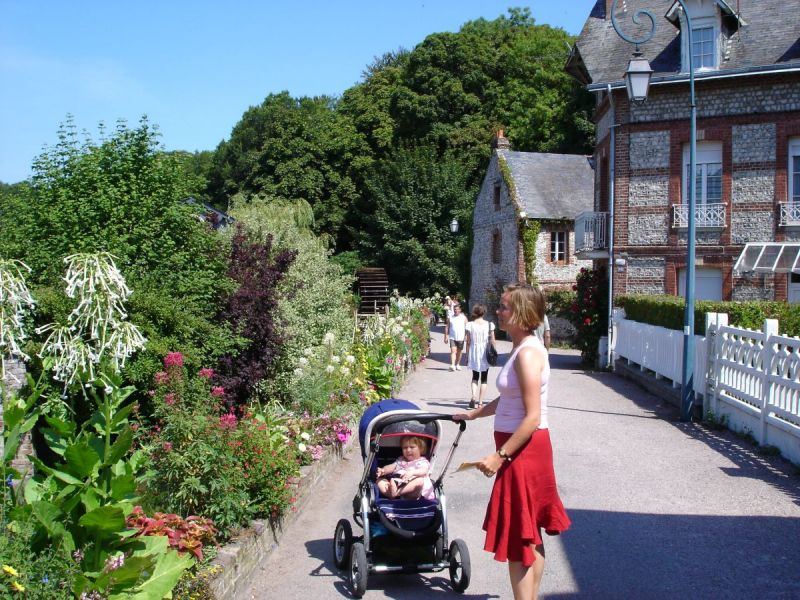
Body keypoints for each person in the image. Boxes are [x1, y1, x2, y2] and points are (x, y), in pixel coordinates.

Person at [454, 283, 570, 600]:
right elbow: (509, 400)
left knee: (521, 537)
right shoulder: (521, 349)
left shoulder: (528, 355)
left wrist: (499, 456)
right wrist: (475, 414)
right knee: (529, 533)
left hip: (523, 451)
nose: (499, 312)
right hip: (522, 448)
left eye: (504, 307)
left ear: (521, 314)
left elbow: (531, 416)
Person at [376, 435, 435, 500]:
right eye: (405, 448)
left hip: (411, 491)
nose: (408, 450)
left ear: (421, 448)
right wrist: (383, 470)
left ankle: (397, 493)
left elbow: (424, 471)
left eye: (412, 447)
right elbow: (391, 467)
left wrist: (412, 473)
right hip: (396, 483)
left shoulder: (422, 461)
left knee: (420, 481)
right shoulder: (401, 460)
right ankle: (390, 494)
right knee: (379, 481)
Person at [464, 304, 497, 409]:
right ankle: (481, 402)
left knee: (474, 376)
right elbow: (493, 340)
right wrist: (494, 353)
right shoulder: (489, 325)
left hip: (474, 351)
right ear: (484, 312)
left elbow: (468, 342)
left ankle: (473, 397)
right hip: (485, 352)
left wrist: (467, 355)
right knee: (484, 378)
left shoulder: (470, 325)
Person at [444, 302, 468, 371]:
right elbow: (447, 327)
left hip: (461, 337)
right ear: (453, 310)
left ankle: (457, 364)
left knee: (459, 352)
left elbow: (467, 327)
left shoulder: (463, 318)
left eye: (457, 309)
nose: (456, 311)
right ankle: (452, 365)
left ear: (460, 310)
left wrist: (466, 336)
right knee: (453, 351)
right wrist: (445, 336)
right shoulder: (450, 318)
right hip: (452, 337)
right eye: (455, 309)